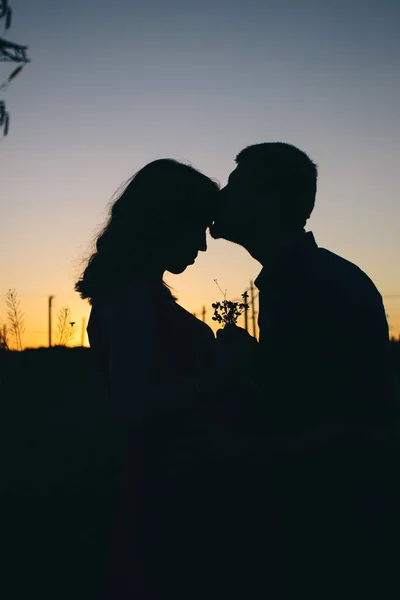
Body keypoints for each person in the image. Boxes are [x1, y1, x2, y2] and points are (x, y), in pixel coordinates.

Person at [210, 142, 397, 598]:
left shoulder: (315, 285)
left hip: (331, 525)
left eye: (235, 186)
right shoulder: (306, 278)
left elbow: (341, 420)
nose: (221, 195)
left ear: (268, 201)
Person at [76, 159, 223, 599]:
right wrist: (220, 378)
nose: (201, 245)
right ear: (164, 221)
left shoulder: (134, 294)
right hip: (158, 491)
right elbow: (132, 405)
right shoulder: (133, 299)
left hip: (157, 485)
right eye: (195, 227)